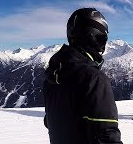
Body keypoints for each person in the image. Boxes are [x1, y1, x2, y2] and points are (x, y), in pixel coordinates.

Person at [43, 8, 122, 144]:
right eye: (102, 39)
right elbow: (107, 136)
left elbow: (50, 121)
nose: (103, 46)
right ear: (92, 36)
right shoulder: (94, 79)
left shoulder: (51, 77)